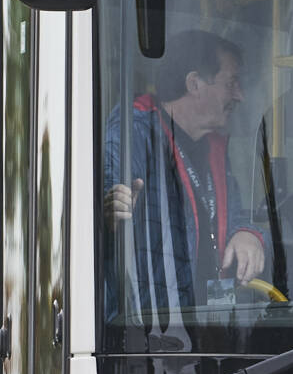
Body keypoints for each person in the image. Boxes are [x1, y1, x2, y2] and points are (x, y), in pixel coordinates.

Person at [103, 30, 268, 317]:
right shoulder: (132, 134)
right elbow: (102, 211)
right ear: (194, 84)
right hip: (149, 337)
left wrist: (248, 233)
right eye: (231, 83)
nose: (239, 95)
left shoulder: (212, 145)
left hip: (201, 329)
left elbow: (232, 214)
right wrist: (107, 215)